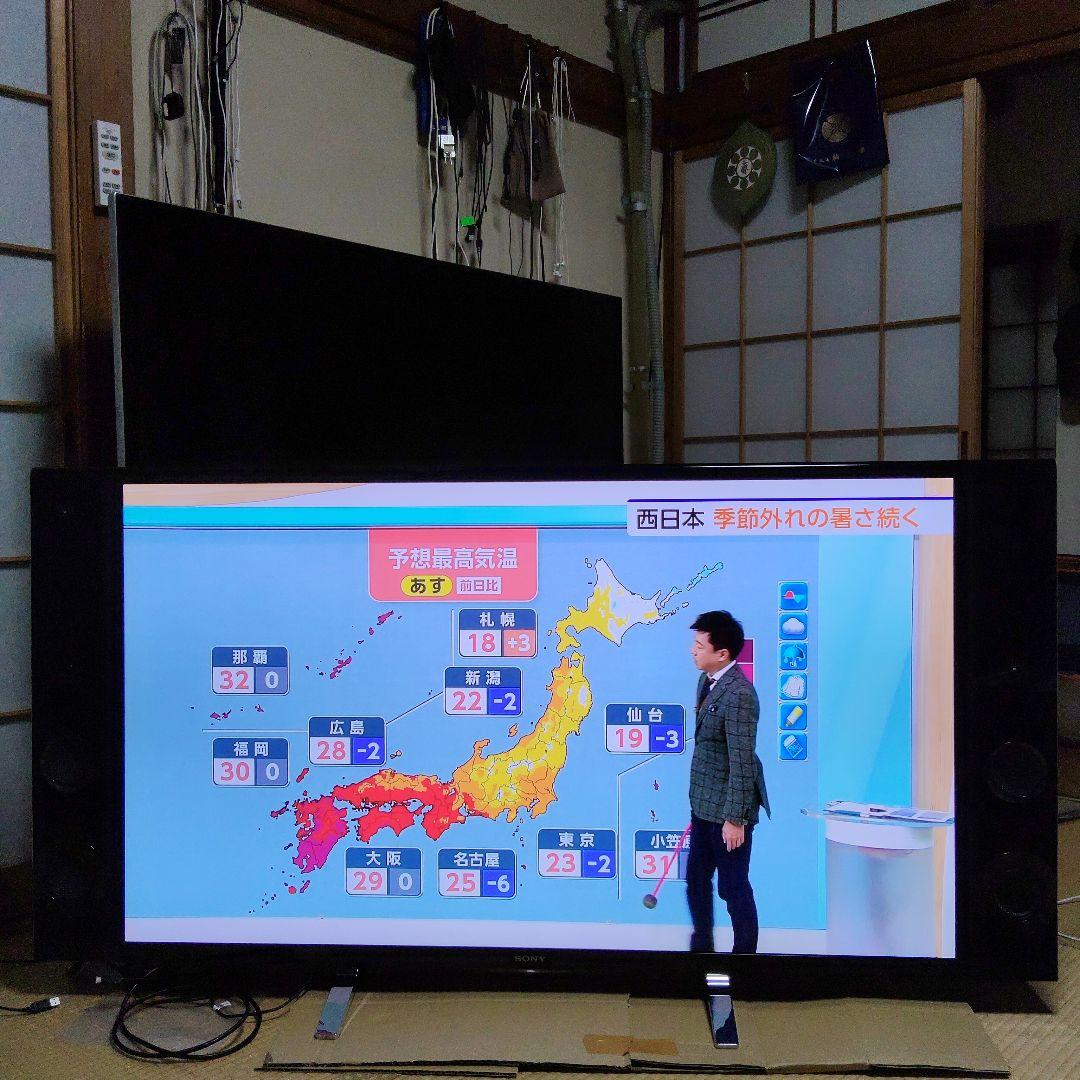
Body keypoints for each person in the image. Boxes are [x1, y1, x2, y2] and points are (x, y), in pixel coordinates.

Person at [686, 610, 770, 953]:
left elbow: (742, 760)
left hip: (729, 812)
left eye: (699, 645)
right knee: (696, 880)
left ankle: (744, 957)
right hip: (703, 805)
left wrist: (735, 820)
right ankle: (702, 948)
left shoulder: (739, 695)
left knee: (732, 887)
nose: (693, 650)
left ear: (722, 654)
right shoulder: (706, 681)